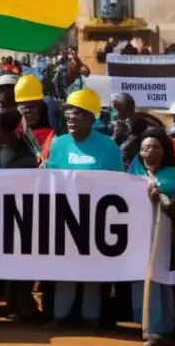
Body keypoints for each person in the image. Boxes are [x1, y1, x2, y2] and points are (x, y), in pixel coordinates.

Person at [45, 89, 123, 327]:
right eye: (69, 112)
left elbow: (120, 184)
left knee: (93, 272)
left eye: (78, 113)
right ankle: (60, 316)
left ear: (92, 117)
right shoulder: (59, 144)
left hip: (97, 221)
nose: (71, 117)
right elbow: (49, 178)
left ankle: (91, 317)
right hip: (65, 218)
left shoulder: (109, 147)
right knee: (65, 270)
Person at [129, 128, 175, 346]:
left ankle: (160, 329)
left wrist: (165, 201)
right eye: (144, 148)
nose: (148, 152)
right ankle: (144, 323)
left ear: (164, 151)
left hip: (165, 237)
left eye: (154, 147)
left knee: (161, 280)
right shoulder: (132, 172)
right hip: (138, 237)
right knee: (141, 278)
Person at [0, 108, 40, 321]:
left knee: (18, 263)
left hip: (18, 218)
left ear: (5, 130)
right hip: (0, 216)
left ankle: (25, 305)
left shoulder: (23, 157)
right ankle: (15, 303)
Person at [15, 74, 55, 159]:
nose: (27, 111)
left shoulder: (52, 133)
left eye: (31, 106)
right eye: (22, 107)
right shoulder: (16, 130)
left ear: (41, 105)